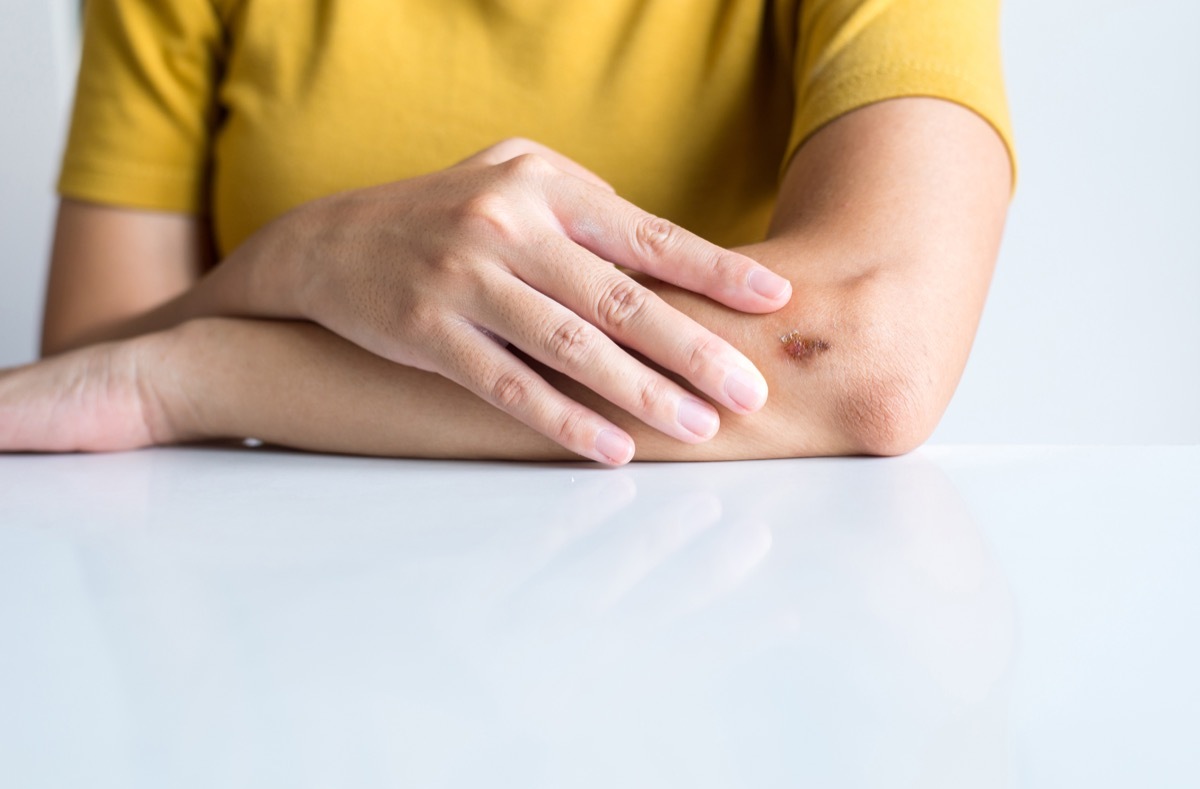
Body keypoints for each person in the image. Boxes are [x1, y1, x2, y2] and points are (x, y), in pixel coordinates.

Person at [0, 0, 1015, 465]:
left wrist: (197, 377)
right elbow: (85, 368)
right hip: (293, 647)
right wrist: (297, 262)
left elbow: (867, 358)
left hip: (717, 627)